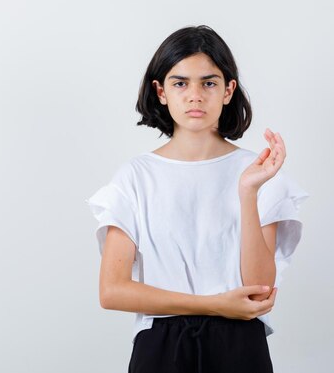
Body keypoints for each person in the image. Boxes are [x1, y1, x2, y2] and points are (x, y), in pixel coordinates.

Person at [85, 25, 310, 373]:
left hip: (239, 343)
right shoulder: (136, 177)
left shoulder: (259, 174)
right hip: (161, 345)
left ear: (228, 90)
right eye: (180, 83)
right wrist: (214, 304)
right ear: (161, 91)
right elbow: (112, 291)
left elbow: (260, 291)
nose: (195, 95)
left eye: (208, 82)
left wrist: (248, 192)